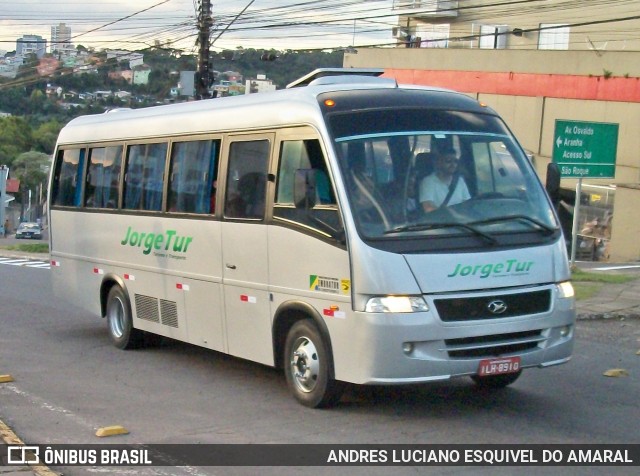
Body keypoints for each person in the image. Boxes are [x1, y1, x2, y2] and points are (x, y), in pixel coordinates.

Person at [419, 148, 470, 213]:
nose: (453, 165)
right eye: (448, 161)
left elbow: (467, 204)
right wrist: (452, 215)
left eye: (455, 161)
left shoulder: (460, 181)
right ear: (439, 163)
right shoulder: (428, 182)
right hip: (440, 221)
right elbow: (429, 208)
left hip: (461, 221)